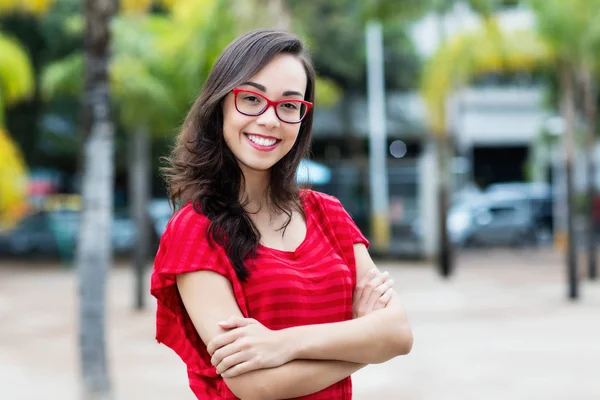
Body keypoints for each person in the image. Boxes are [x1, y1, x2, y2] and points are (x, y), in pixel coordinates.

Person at [151, 28, 413, 400]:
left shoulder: (329, 215)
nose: (270, 120)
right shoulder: (195, 231)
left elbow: (399, 334)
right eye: (252, 99)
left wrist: (281, 345)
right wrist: (363, 342)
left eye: (289, 105)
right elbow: (251, 385)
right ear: (221, 103)